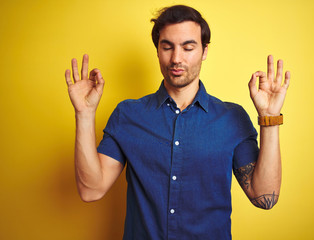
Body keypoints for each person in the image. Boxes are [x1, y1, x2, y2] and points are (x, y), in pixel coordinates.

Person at [65, 5, 290, 240]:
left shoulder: (232, 118)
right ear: (158, 50)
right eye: (167, 47)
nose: (176, 58)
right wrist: (84, 113)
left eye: (188, 47)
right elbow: (91, 190)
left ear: (204, 51)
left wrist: (270, 118)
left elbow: (265, 197)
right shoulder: (128, 115)